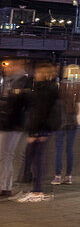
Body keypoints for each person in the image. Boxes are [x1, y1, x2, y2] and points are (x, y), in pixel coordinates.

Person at [15, 64, 61, 202]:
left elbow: (40, 112)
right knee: (33, 158)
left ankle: (37, 191)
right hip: (41, 128)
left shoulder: (46, 89)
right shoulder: (45, 88)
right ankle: (35, 189)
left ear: (44, 73)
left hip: (40, 129)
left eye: (38, 72)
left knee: (37, 159)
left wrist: (35, 133)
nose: (35, 74)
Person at [52, 65, 80, 186]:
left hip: (61, 119)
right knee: (69, 149)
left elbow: (58, 102)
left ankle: (57, 176)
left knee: (59, 148)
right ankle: (68, 176)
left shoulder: (61, 85)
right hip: (73, 120)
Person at [0, 62, 30, 197]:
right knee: (7, 155)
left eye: (8, 66)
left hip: (10, 124)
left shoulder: (19, 83)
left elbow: (15, 105)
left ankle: (4, 185)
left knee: (5, 155)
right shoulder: (12, 82)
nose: (5, 68)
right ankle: (6, 186)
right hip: (12, 123)